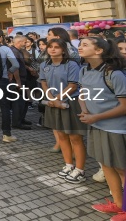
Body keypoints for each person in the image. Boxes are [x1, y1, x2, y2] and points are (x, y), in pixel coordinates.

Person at [78, 37, 126, 216]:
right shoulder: (83, 70)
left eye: (85, 45)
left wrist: (96, 116)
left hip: (115, 128)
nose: (80, 47)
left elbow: (124, 106)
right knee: (106, 165)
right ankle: (118, 203)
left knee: (122, 168)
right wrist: (85, 111)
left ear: (99, 51)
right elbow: (82, 94)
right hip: (96, 125)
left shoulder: (115, 74)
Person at [39, 38, 87, 184]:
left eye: (57, 47)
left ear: (63, 50)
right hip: (53, 103)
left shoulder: (71, 64)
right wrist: (51, 98)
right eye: (50, 47)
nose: (53, 49)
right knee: (61, 136)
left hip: (70, 103)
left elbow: (73, 85)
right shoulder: (44, 65)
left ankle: (80, 169)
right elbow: (43, 83)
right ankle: (68, 165)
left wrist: (58, 98)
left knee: (75, 137)